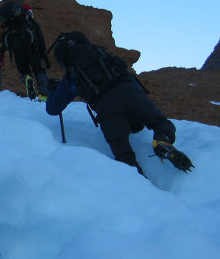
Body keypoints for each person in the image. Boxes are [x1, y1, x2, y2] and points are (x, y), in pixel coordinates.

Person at [46, 31, 193, 175]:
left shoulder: (72, 74)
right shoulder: (105, 56)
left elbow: (53, 109)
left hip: (107, 109)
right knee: (160, 123)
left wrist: (54, 90)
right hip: (131, 93)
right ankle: (162, 139)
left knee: (124, 157)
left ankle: (140, 186)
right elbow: (132, 81)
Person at [0, 1, 50, 100]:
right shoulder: (30, 23)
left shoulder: (10, 25)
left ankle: (27, 79)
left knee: (24, 71)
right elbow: (40, 39)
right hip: (33, 50)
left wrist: (1, 52)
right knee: (39, 70)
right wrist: (44, 55)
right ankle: (44, 95)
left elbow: (4, 40)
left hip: (18, 53)